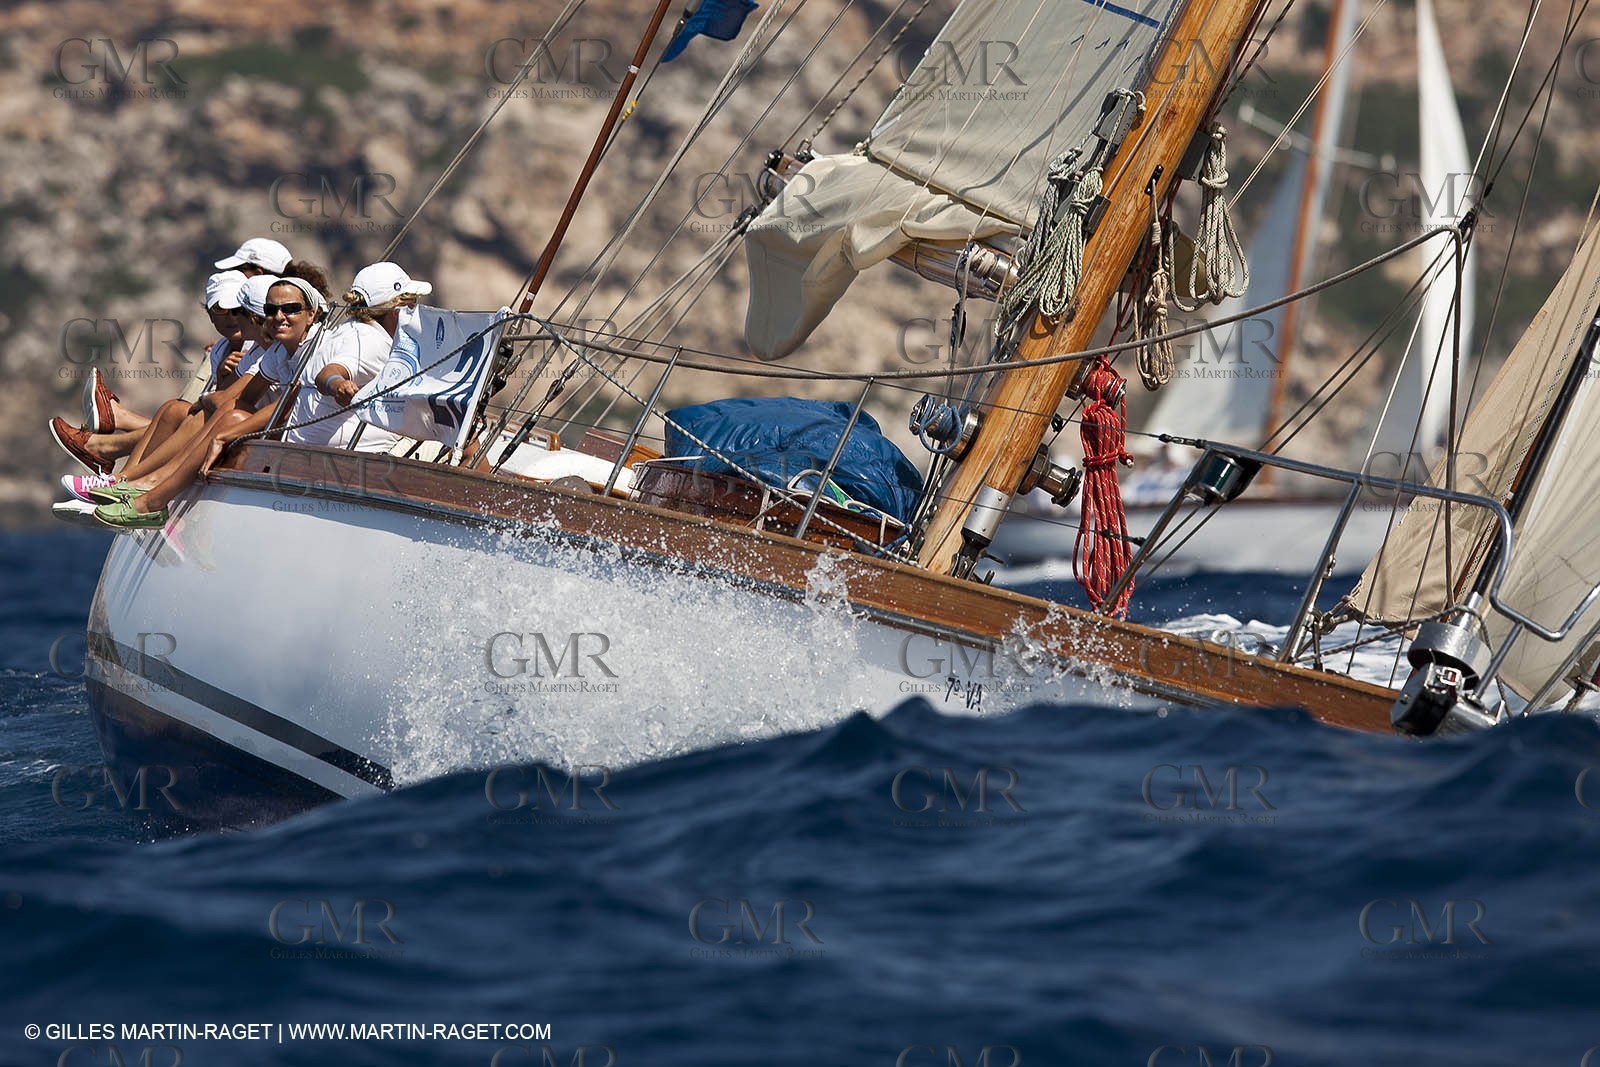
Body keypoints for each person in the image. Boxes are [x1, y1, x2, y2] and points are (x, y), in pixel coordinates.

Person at [93, 277, 327, 528]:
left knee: (226, 415)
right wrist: (219, 391)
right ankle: (133, 482)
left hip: (305, 447)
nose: (278, 317)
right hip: (279, 434)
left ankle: (148, 493)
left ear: (311, 314)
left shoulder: (315, 349)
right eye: (271, 311)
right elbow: (239, 398)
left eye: (290, 309)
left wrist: (222, 432)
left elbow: (285, 407)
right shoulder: (277, 351)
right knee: (192, 410)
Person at [50, 270, 253, 478]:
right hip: (225, 421)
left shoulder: (255, 346)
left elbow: (226, 404)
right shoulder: (220, 349)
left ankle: (116, 460)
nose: (232, 316)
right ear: (210, 316)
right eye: (221, 309)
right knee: (173, 409)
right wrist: (220, 375)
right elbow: (220, 402)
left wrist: (210, 395)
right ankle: (120, 475)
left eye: (238, 309)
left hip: (246, 430)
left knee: (188, 417)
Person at [280, 262, 430, 451]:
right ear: (396, 310)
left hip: (305, 448)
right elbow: (326, 375)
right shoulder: (368, 340)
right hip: (350, 456)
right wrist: (338, 385)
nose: (415, 310)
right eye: (412, 304)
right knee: (458, 442)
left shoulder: (350, 329)